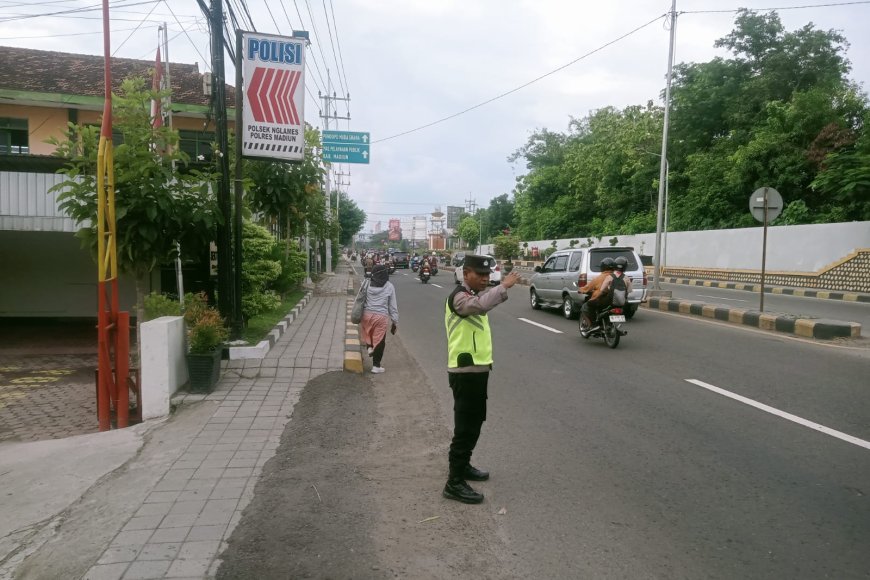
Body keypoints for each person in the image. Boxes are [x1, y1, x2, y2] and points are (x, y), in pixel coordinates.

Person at [442, 255, 521, 504]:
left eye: (489, 275)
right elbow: (476, 306)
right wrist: (503, 287)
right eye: (481, 275)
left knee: (475, 423)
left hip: (477, 371)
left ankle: (463, 467)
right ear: (466, 274)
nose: (486, 279)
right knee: (465, 427)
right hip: (464, 372)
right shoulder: (459, 297)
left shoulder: (472, 294)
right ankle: (454, 482)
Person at [360, 264, 399, 374]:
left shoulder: (366, 283)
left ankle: (369, 347)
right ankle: (376, 366)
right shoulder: (389, 286)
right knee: (380, 340)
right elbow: (392, 306)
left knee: (368, 333)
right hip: (381, 317)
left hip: (366, 315)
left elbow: (360, 299)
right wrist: (394, 322)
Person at [579, 257, 616, 332]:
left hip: (603, 300)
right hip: (617, 300)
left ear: (603, 267)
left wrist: (581, 290)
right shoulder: (619, 277)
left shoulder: (599, 278)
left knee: (586, 306)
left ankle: (593, 325)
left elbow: (587, 287)